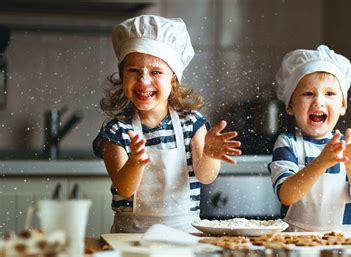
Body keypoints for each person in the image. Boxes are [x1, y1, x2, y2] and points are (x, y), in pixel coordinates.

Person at [92, 15, 241, 233]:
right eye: (133, 71)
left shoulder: (192, 123)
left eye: (156, 72)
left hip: (185, 235)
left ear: (173, 79)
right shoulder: (116, 131)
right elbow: (124, 188)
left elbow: (205, 177)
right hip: (131, 236)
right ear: (122, 75)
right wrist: (135, 162)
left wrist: (209, 155)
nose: (143, 81)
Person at [269, 45, 351, 232]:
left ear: (342, 105)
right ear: (290, 105)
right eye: (308, 93)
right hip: (294, 244)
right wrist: (321, 163)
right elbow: (286, 195)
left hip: (341, 243)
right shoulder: (288, 143)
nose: (318, 101)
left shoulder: (348, 148)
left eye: (330, 94)